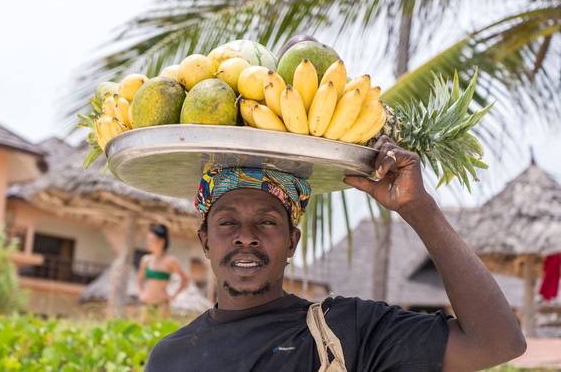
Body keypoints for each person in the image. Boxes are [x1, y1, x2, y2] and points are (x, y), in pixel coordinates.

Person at [143, 136, 526, 371]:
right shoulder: (170, 358)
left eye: (267, 222)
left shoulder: (345, 330)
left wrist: (418, 208)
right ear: (205, 241)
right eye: (227, 223)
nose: (247, 237)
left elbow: (497, 342)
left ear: (292, 242)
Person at [137, 224, 189, 319]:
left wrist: (173, 296)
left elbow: (185, 280)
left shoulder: (170, 260)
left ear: (161, 241)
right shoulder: (146, 260)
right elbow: (140, 279)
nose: (147, 242)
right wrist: (141, 293)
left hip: (162, 305)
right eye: (147, 239)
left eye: (151, 240)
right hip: (147, 304)